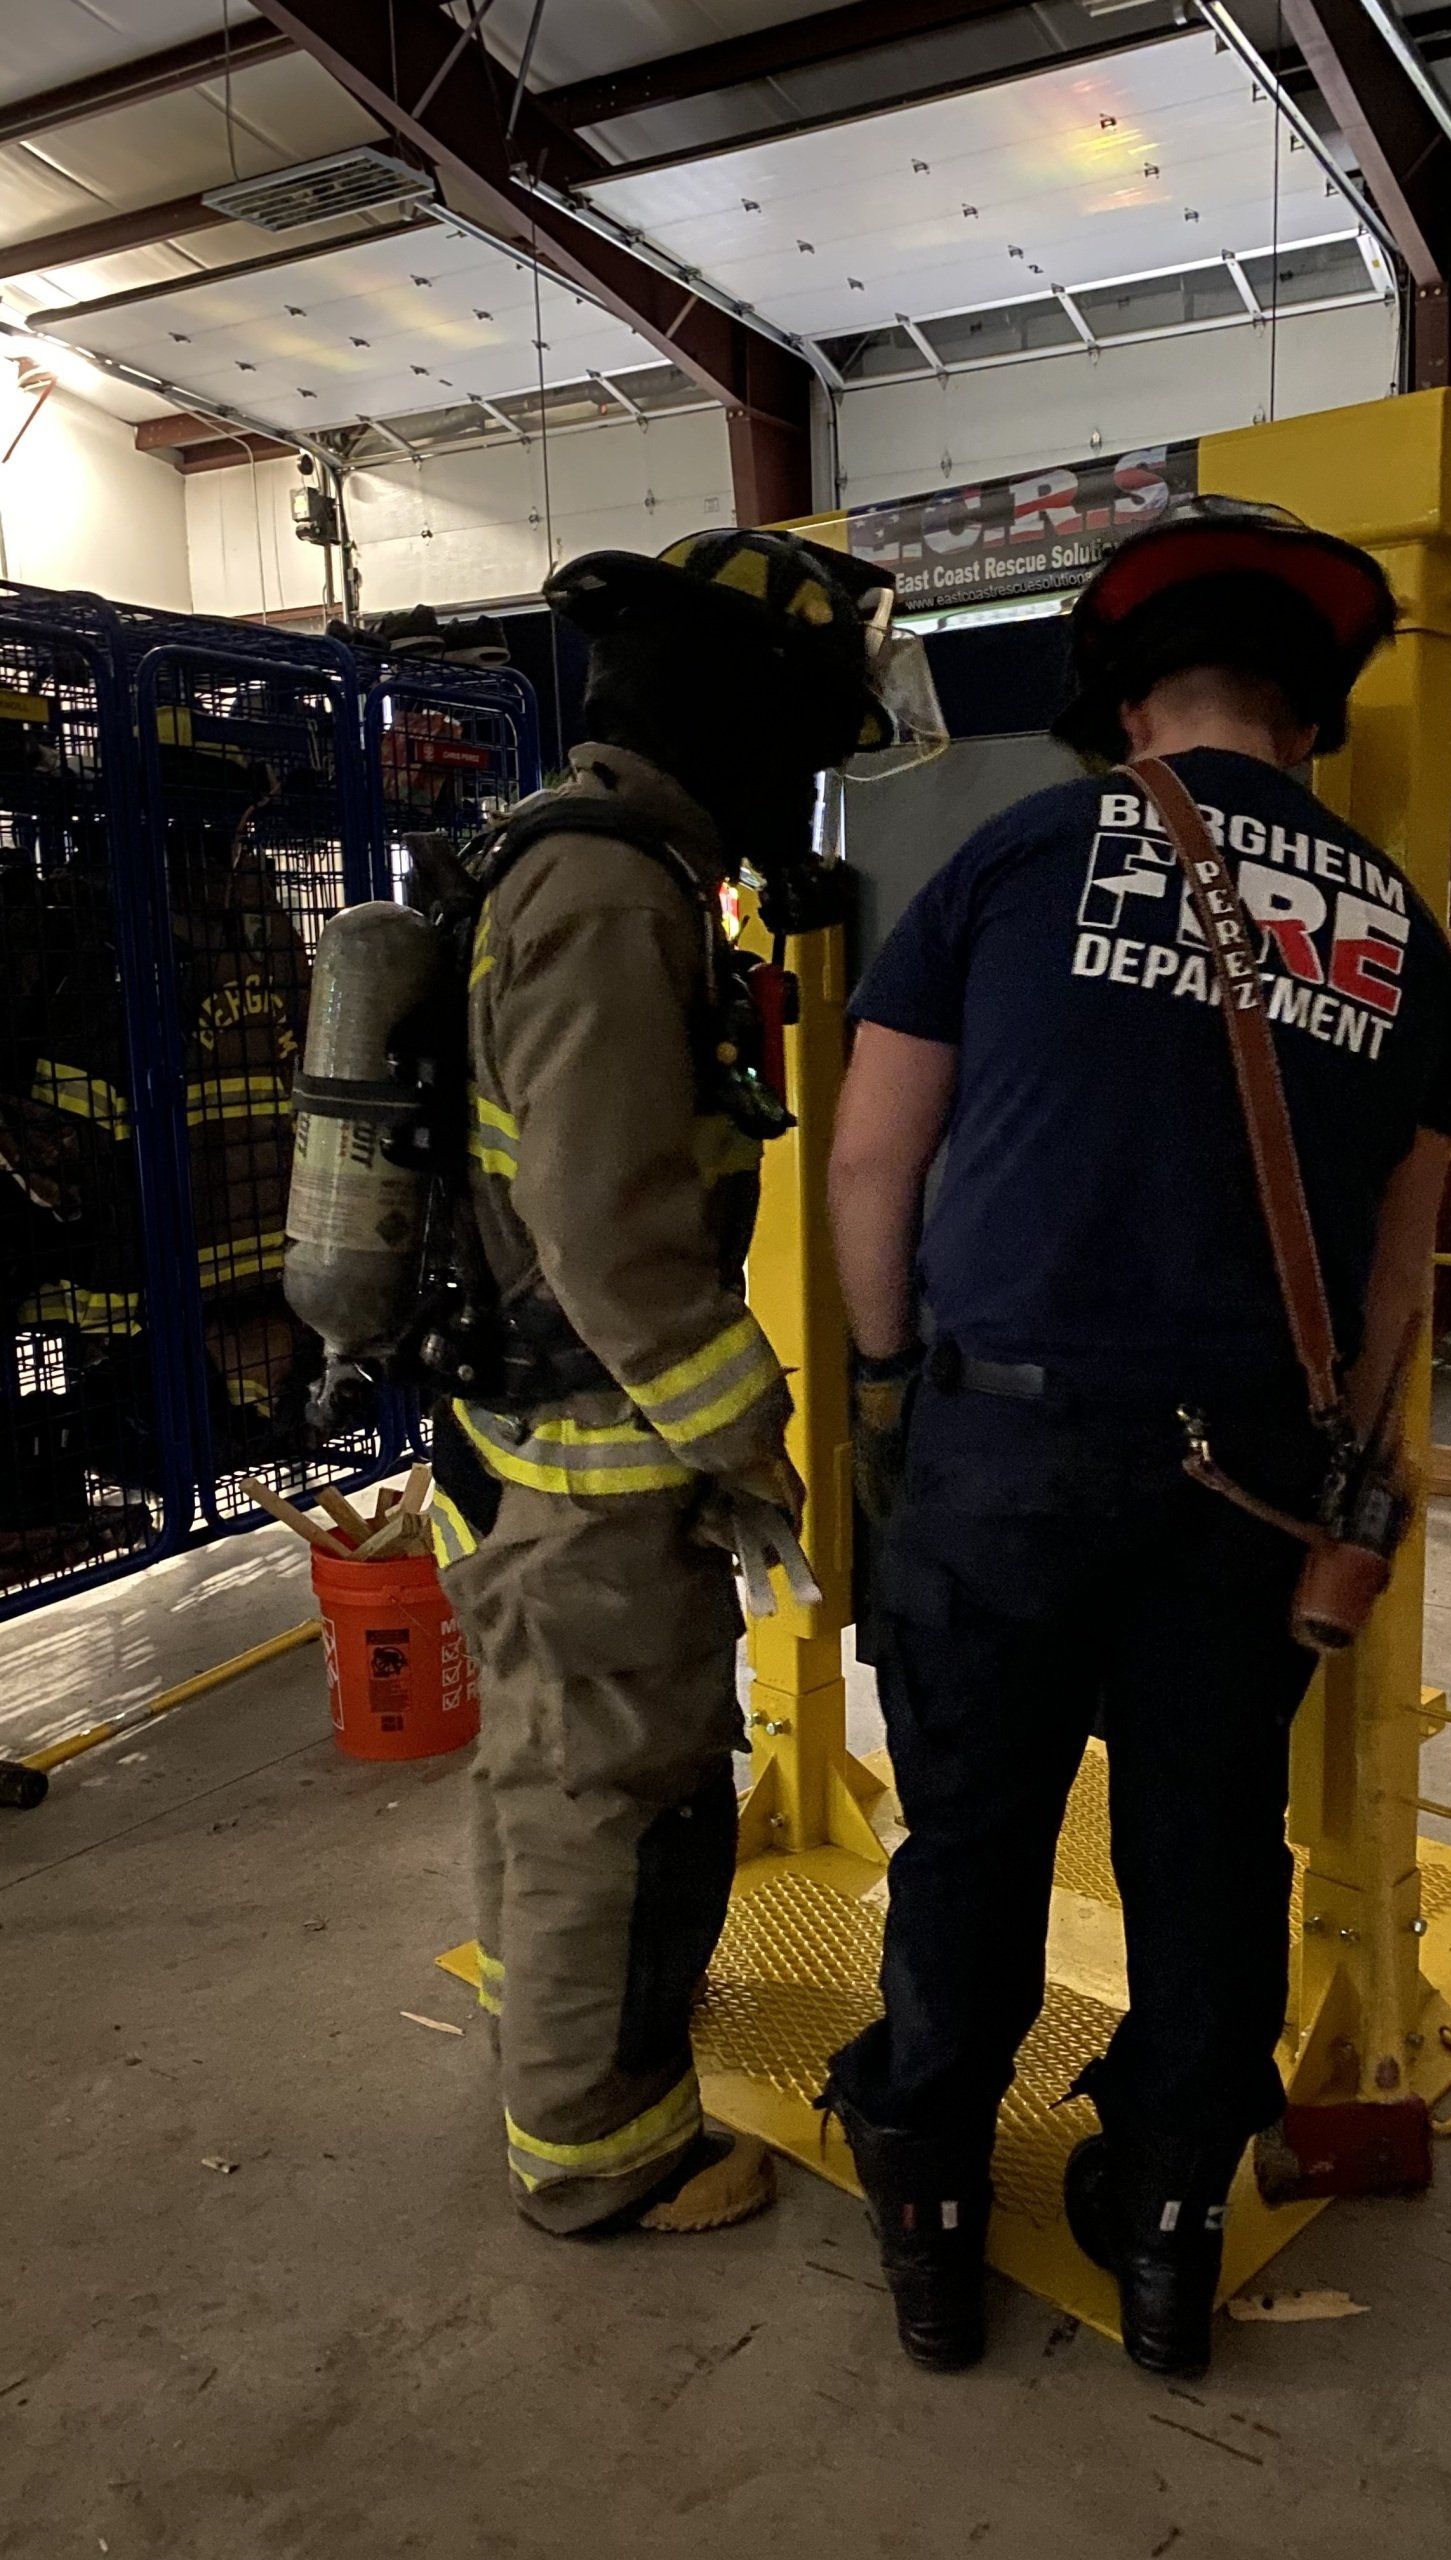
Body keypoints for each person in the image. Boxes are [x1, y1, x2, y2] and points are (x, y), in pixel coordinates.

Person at [822, 499, 1451, 2377]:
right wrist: (1338, 1470)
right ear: (1314, 713)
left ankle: (937, 2217)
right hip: (1252, 1482)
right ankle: (1175, 2230)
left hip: (1005, 1457)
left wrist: (885, 1395)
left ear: (1122, 707)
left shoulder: (1018, 861)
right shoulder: (1411, 949)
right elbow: (1391, 1283)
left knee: (971, 1837)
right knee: (1208, 1848)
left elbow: (875, 1161)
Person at [428, 531, 902, 2238]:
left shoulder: (601, 862)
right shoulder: (611, 892)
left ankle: (565, 2029)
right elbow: (614, 1228)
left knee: (562, 1777)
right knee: (604, 1795)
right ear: (743, 711)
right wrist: (753, 1446)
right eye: (810, 733)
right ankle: (599, 2144)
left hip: (542, 1435)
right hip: (591, 1457)